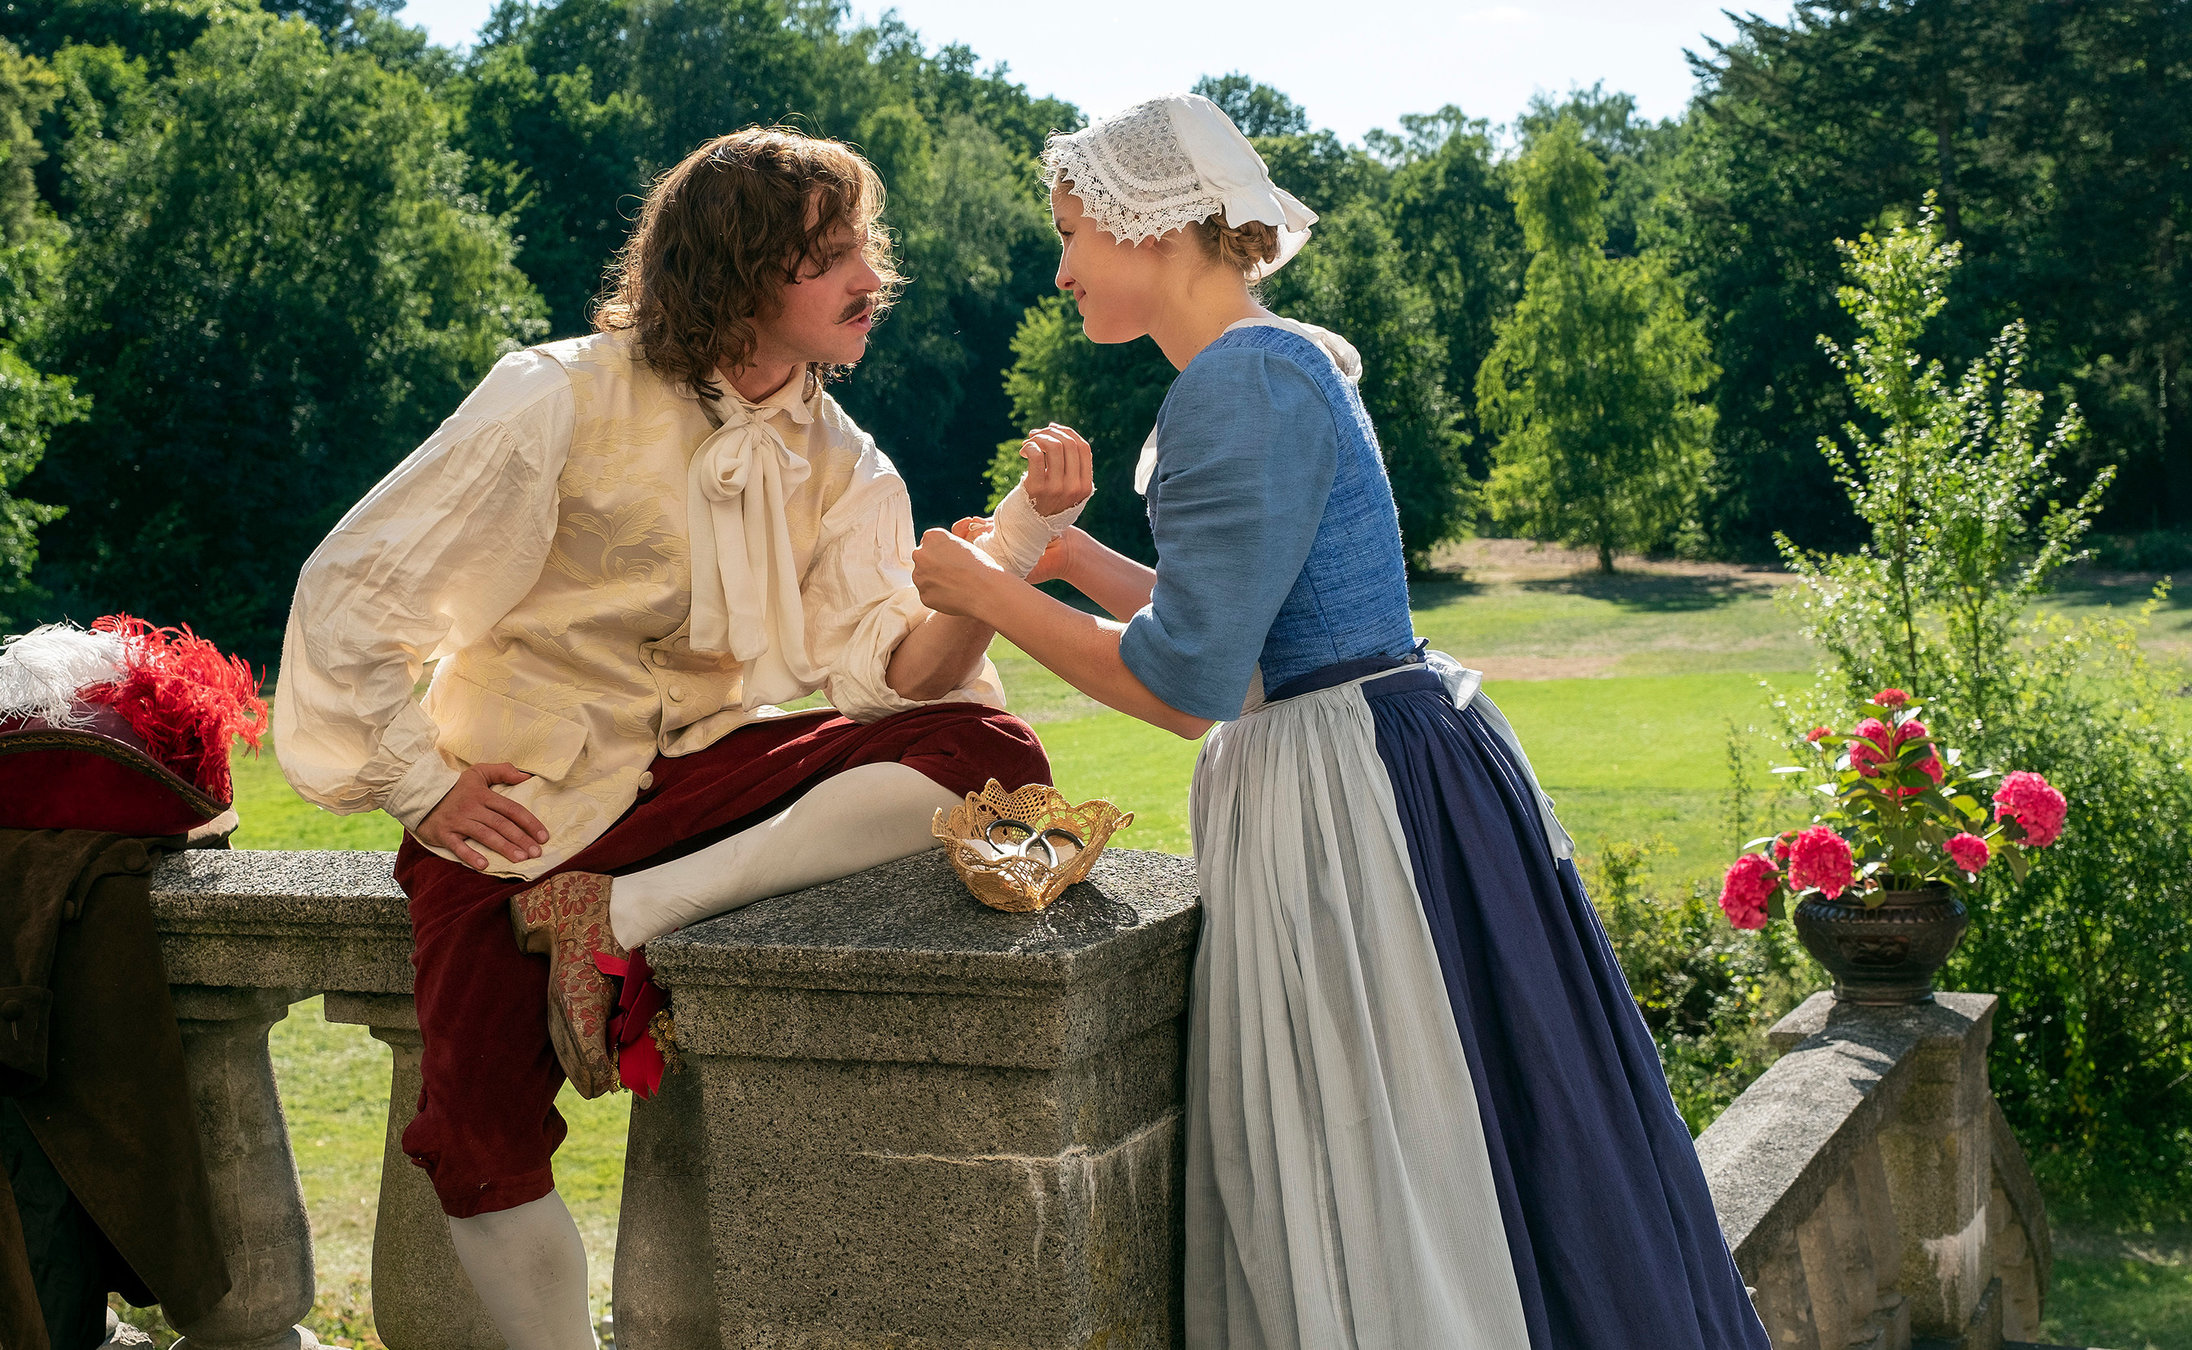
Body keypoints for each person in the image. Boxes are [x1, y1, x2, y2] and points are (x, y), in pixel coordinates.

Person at [908, 94, 1771, 1350]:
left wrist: (986, 590)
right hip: (1385, 752)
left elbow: (1185, 684)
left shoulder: (1236, 386)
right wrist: (1072, 561)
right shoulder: (1270, 363)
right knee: (1454, 1120)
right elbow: (1250, 620)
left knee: (1378, 1138)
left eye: (1075, 232)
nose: (1061, 268)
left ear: (1155, 230)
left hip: (1345, 790)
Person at [275, 127, 1084, 1350]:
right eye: (831, 255)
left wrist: (1014, 548)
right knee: (480, 1141)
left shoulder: (843, 459)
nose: (873, 276)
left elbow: (898, 678)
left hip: (693, 790)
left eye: (868, 245)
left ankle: (623, 918)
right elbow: (356, 588)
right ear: (739, 271)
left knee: (996, 755)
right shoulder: (555, 393)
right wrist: (423, 784)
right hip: (521, 804)